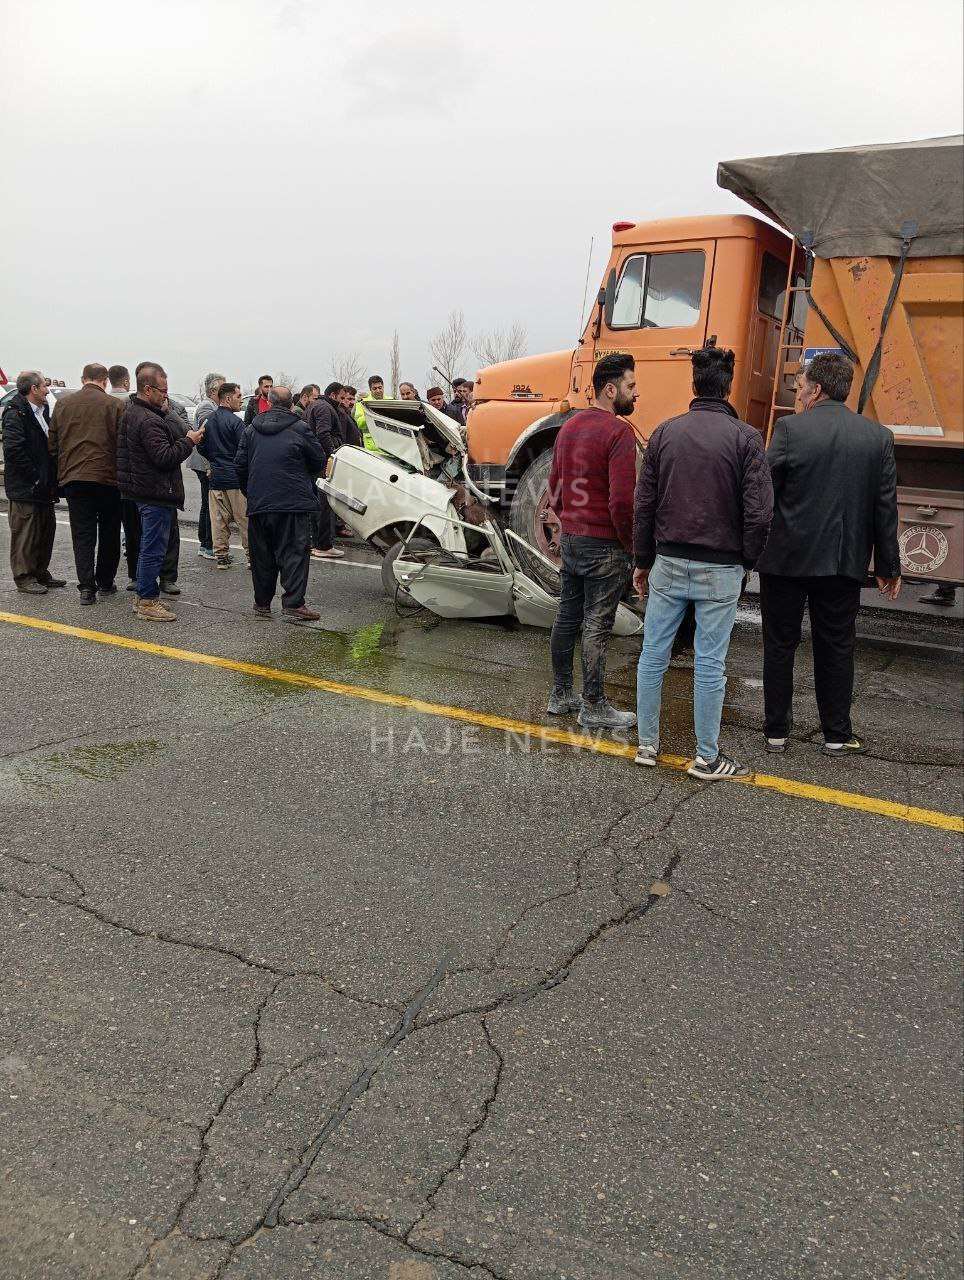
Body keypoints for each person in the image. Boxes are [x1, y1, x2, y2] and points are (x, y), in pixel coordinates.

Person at [633, 346, 773, 779]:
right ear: (727, 386)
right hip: (722, 566)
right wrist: (746, 559)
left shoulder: (664, 434)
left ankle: (646, 745)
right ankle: (706, 757)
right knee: (711, 662)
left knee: (653, 654)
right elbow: (760, 513)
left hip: (669, 561)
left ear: (694, 384)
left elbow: (644, 505)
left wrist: (642, 560)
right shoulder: (746, 439)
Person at [757, 351, 901, 757]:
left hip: (785, 560)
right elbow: (885, 508)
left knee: (780, 643)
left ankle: (776, 731)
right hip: (843, 562)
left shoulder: (788, 430)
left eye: (801, 386)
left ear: (817, 388)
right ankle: (837, 734)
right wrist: (889, 566)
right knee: (837, 645)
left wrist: (751, 548)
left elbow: (766, 495)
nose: (798, 393)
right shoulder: (878, 438)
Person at [547, 353, 638, 731]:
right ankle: (594, 705)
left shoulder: (569, 427)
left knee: (568, 615)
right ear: (611, 388)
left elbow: (554, 484)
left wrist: (567, 518)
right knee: (597, 624)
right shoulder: (619, 433)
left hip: (573, 538)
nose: (636, 394)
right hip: (605, 544)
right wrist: (630, 544)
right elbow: (622, 500)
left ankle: (561, 694)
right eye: (631, 386)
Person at [117, 363, 204, 621]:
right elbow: (164, 457)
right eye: (162, 390)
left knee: (149, 546)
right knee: (153, 548)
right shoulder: (146, 420)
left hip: (143, 489)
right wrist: (189, 441)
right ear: (147, 389)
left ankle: (145, 595)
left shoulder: (137, 412)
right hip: (153, 492)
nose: (166, 395)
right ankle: (146, 600)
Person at [234, 386, 325, 622]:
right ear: (291, 403)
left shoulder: (251, 429)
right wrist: (306, 480)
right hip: (292, 502)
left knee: (261, 555)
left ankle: (262, 603)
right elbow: (318, 459)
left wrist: (251, 490)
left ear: (269, 402)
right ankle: (293, 603)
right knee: (294, 552)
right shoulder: (299, 427)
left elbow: (240, 465)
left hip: (260, 502)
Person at [48, 361, 126, 604]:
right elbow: (122, 445)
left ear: (83, 379)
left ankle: (86, 588)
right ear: (104, 381)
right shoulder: (115, 405)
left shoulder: (63, 404)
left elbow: (52, 445)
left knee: (82, 534)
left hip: (74, 478)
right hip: (107, 478)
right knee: (109, 531)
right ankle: (105, 581)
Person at [1, 370, 65, 594]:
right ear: (33, 389)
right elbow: (13, 450)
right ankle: (24, 576)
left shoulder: (43, 409)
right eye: (44, 386)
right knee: (26, 533)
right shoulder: (15, 413)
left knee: (45, 530)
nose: (47, 390)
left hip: (44, 485)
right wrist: (35, 476)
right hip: (25, 486)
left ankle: (39, 572)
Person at [200, 382, 249, 569]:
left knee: (219, 521)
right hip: (235, 479)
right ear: (227, 399)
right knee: (244, 520)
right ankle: (252, 557)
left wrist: (214, 461)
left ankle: (221, 556)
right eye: (238, 396)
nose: (241, 400)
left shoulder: (209, 421)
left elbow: (201, 446)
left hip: (216, 478)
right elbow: (244, 450)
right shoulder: (236, 422)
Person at [305, 383, 348, 559]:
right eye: (342, 397)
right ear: (333, 395)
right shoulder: (324, 407)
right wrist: (333, 455)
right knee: (324, 504)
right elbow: (323, 433)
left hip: (316, 461)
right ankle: (323, 545)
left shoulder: (315, 406)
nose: (344, 402)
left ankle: (316, 543)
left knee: (318, 503)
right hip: (323, 462)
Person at [191, 372, 224, 561]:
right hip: (204, 463)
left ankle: (205, 544)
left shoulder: (211, 405)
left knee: (207, 503)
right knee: (209, 505)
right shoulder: (207, 406)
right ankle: (207, 544)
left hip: (204, 462)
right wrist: (211, 463)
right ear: (214, 390)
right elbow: (206, 434)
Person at [352, 374, 385, 450]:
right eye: (375, 388)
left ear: (383, 387)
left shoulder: (391, 400)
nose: (378, 391)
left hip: (390, 446)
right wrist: (374, 415)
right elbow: (359, 423)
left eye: (380, 388)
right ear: (370, 390)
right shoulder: (363, 402)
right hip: (372, 447)